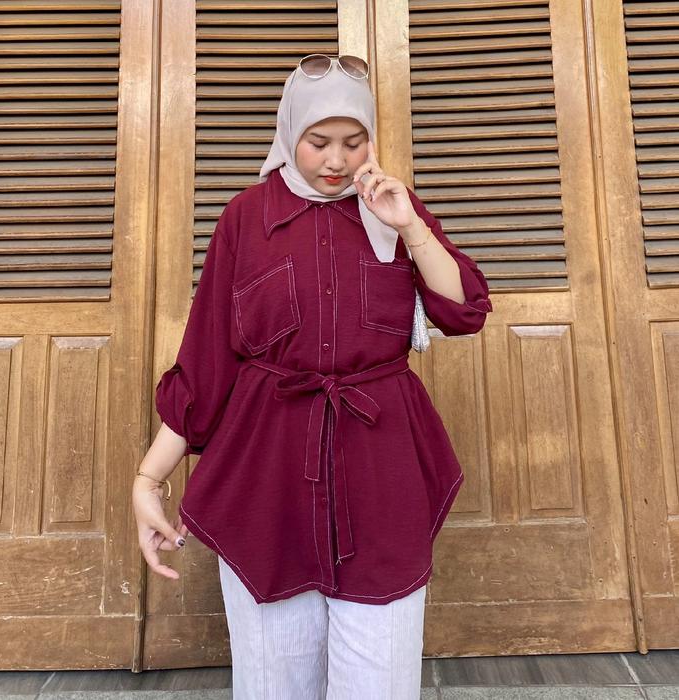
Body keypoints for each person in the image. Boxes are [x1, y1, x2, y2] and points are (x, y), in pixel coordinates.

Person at [132, 54, 493, 699]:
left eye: (354, 142)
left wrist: (409, 227)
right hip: (268, 465)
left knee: (382, 668)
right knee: (273, 671)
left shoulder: (393, 207)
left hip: (380, 464)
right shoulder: (245, 218)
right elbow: (208, 360)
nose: (337, 160)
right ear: (288, 131)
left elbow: (463, 311)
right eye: (318, 141)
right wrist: (149, 478)